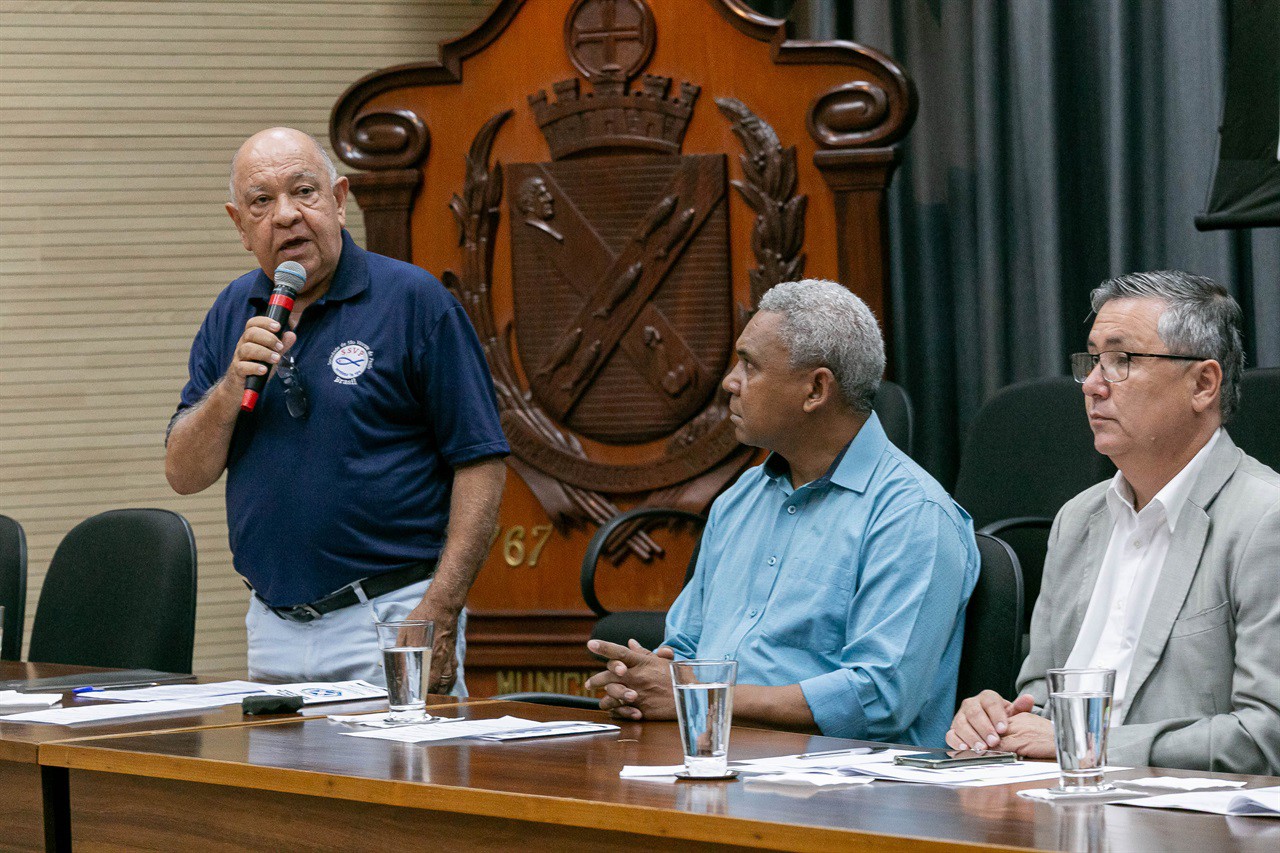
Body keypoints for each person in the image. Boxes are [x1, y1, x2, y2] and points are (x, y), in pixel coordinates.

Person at [165, 127, 508, 692]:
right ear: (240, 225)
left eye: (304, 192)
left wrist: (441, 608)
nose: (287, 216)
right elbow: (183, 474)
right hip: (271, 625)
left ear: (339, 200)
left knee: (402, 782)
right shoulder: (233, 312)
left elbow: (481, 462)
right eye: (262, 201)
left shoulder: (414, 302)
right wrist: (231, 386)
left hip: (390, 619)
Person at [586, 280, 979, 746]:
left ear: (815, 389)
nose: (730, 382)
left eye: (749, 365)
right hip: (717, 759)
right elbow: (687, 648)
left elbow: (879, 697)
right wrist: (641, 681)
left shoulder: (913, 515)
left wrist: (695, 693)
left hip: (848, 795)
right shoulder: (740, 498)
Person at [949, 270, 1280, 774]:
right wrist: (996, 720)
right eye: (1093, 361)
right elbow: (1039, 702)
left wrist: (1087, 743)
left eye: (1122, 361)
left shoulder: (1265, 519)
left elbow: (1266, 738)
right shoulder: (1078, 519)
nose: (1093, 386)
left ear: (1203, 384)